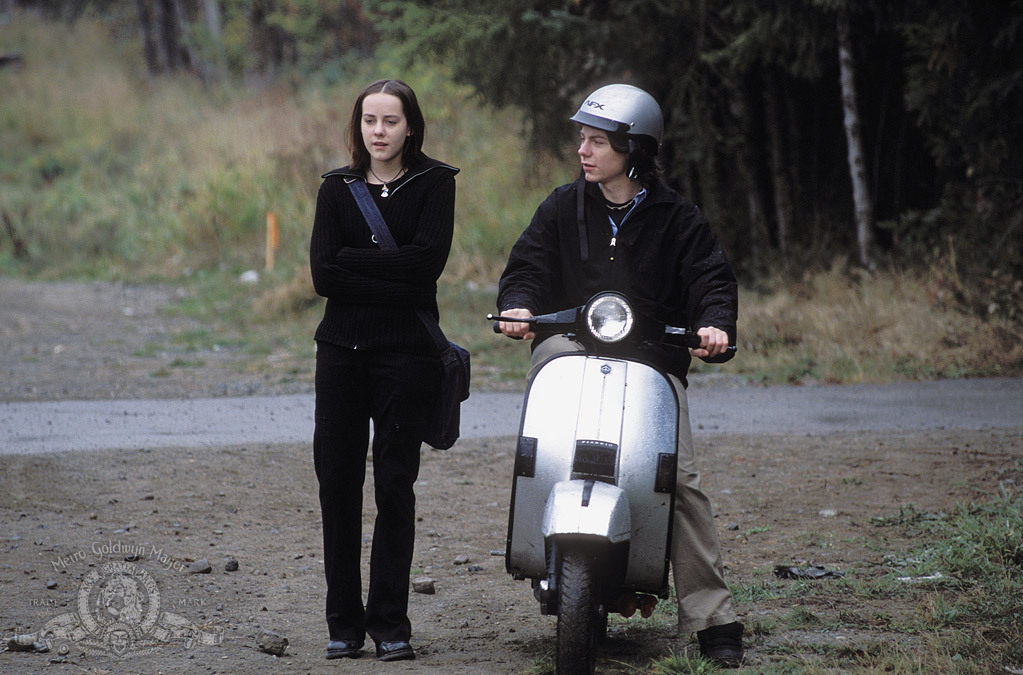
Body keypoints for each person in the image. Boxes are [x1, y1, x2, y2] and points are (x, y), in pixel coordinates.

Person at [496, 83, 744, 667]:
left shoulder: (676, 217)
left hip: (653, 356)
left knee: (678, 479)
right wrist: (520, 306)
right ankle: (536, 546)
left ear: (632, 148)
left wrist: (713, 325)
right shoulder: (562, 205)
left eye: (597, 141)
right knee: (541, 447)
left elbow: (711, 279)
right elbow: (527, 264)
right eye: (581, 138)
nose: (584, 150)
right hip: (569, 345)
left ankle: (712, 617)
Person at [309, 78, 458, 663]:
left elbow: (428, 268)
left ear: (411, 127)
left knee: (396, 484)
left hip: (407, 355)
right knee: (338, 484)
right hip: (340, 354)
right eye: (369, 121)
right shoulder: (337, 189)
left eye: (390, 121)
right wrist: (389, 273)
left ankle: (390, 623)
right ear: (358, 126)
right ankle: (343, 624)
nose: (379, 132)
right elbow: (324, 276)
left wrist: (357, 265)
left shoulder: (436, 183)